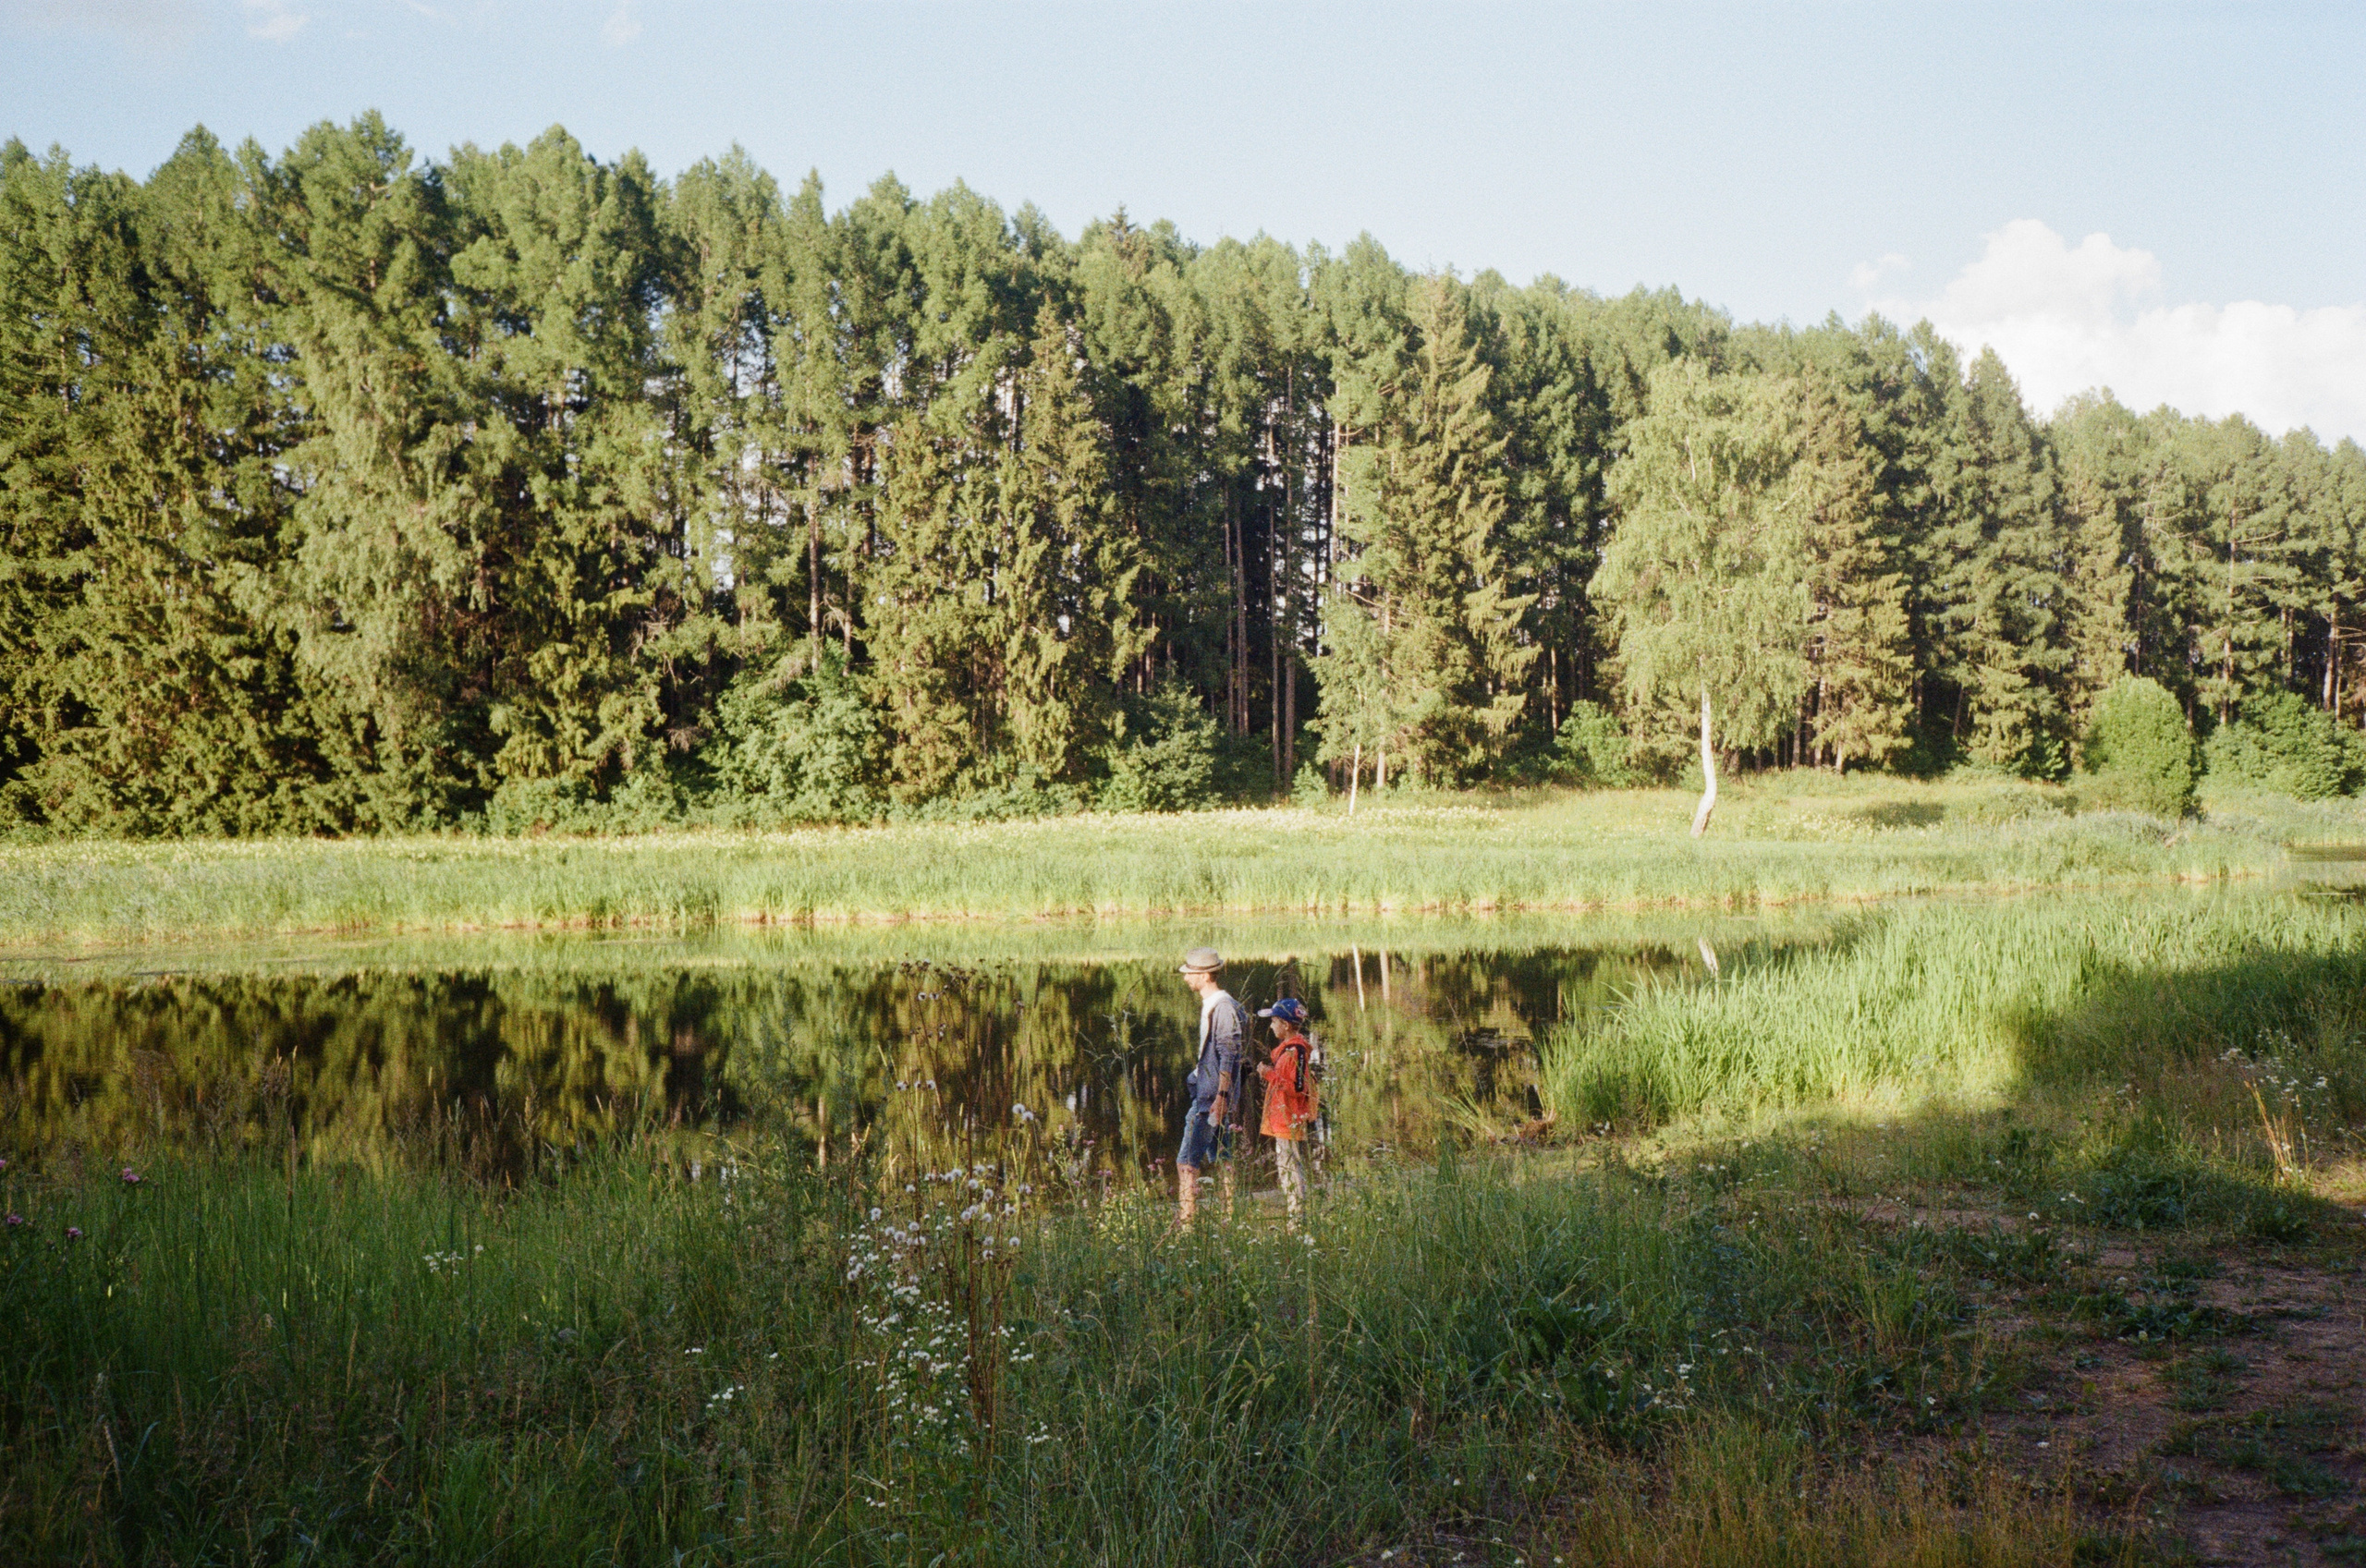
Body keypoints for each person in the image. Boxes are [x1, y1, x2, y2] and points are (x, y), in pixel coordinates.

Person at [1176, 946, 1251, 1225]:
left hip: (1210, 1099)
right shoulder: (1216, 1005)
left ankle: (1187, 1225)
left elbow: (1229, 1053)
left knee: (1186, 1163)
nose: (1186, 978)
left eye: (1191, 973)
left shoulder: (1223, 1008)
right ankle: (1229, 1218)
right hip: (1211, 1094)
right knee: (1222, 1157)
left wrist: (1221, 1097)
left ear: (1206, 975)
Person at [1254, 998, 1320, 1223]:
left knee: (1290, 1167)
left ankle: (1297, 1219)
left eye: (1273, 1021)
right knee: (1286, 1166)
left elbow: (1297, 1088)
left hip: (1288, 1119)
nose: (1271, 1026)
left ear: (1286, 1025)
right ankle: (1296, 1215)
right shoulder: (1290, 1050)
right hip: (1283, 1120)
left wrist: (1268, 1074)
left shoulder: (1296, 1051)